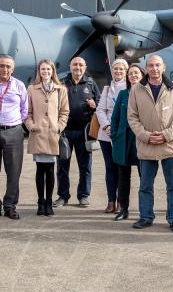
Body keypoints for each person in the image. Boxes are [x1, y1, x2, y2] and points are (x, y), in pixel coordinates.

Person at [127, 55, 173, 231]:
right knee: (145, 185)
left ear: (164, 67)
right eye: (151, 65)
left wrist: (166, 135)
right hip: (147, 146)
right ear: (146, 68)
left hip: (169, 145)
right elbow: (132, 117)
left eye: (157, 65)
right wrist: (145, 136)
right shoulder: (137, 89)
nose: (154, 69)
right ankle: (145, 217)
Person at [0, 54, 28, 220]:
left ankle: (10, 206)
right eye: (2, 66)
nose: (5, 69)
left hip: (13, 132)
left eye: (8, 66)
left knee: (13, 171)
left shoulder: (19, 85)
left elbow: (25, 108)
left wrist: (16, 123)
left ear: (13, 68)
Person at [25, 59, 69, 217]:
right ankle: (40, 201)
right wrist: (31, 126)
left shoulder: (60, 89)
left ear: (53, 71)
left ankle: (49, 202)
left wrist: (59, 126)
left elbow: (65, 112)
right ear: (39, 71)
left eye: (48, 69)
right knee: (39, 170)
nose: (45, 72)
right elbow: (27, 111)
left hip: (52, 135)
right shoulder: (31, 89)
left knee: (50, 170)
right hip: (38, 134)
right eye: (43, 69)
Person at [54, 57, 101, 207]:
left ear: (85, 67)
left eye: (81, 65)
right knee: (62, 166)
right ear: (70, 66)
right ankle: (62, 196)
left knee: (85, 166)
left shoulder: (91, 83)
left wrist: (95, 105)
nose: (78, 67)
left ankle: (83, 196)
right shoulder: (61, 83)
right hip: (65, 132)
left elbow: (100, 105)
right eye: (75, 64)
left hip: (84, 133)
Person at [110, 63, 143, 221]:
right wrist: (115, 135)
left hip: (141, 140)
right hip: (123, 141)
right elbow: (115, 117)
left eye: (136, 73)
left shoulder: (147, 93)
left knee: (145, 176)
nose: (133, 76)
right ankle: (123, 208)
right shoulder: (123, 94)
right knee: (123, 177)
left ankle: (145, 210)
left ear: (142, 76)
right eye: (131, 74)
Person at [95, 58, 128, 213]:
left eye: (121, 69)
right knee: (110, 168)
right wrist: (107, 126)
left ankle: (122, 201)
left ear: (126, 71)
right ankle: (111, 201)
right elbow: (100, 109)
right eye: (115, 69)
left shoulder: (130, 88)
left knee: (122, 168)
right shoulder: (107, 89)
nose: (118, 71)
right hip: (106, 134)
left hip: (122, 134)